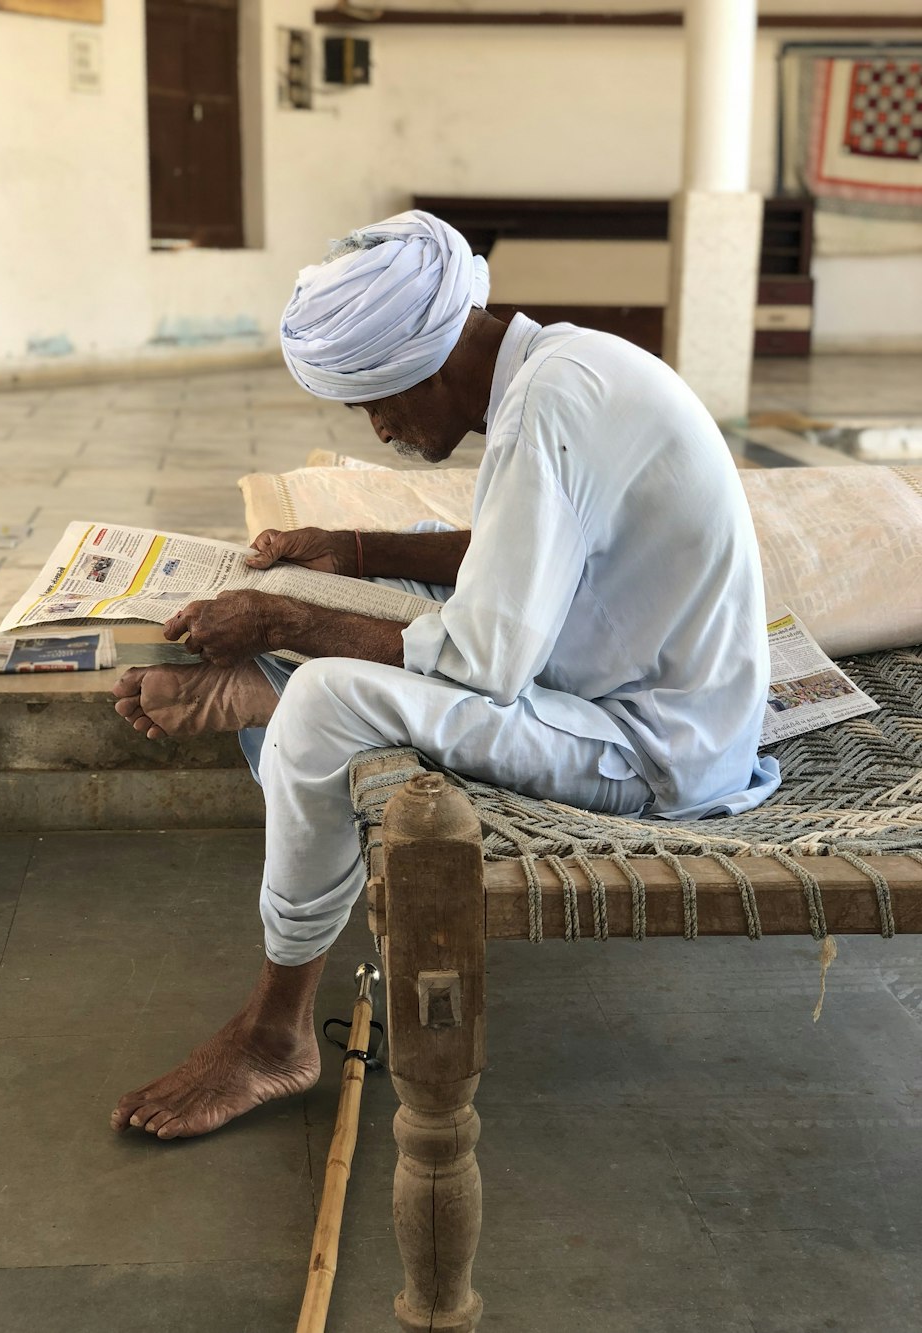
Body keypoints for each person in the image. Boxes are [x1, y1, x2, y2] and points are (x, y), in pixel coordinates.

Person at [109, 210, 780, 1141]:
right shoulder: (562, 364)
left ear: (430, 361)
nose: (379, 427)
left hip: (648, 746)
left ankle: (276, 1033)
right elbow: (522, 547)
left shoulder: (552, 403)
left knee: (324, 691)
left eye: (377, 402)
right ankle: (290, 693)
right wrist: (345, 548)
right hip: (594, 671)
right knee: (365, 579)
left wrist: (285, 620)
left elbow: (485, 660)